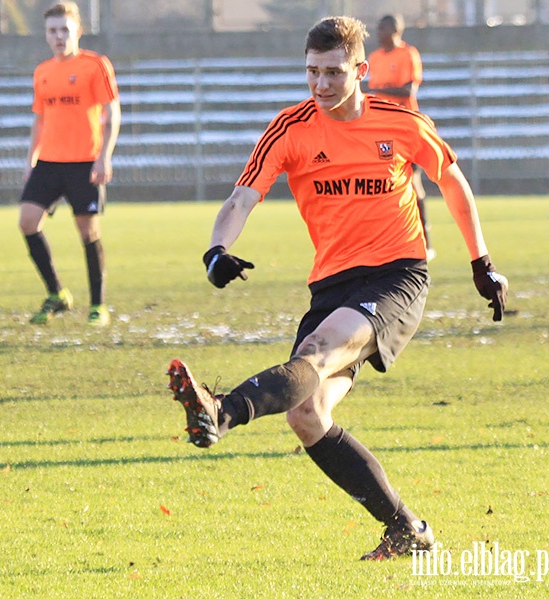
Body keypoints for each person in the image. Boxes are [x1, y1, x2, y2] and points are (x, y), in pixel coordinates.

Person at [167, 16, 508, 561]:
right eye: (311, 72)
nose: (320, 84)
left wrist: (481, 261)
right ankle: (407, 530)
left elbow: (451, 181)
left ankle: (220, 411)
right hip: (331, 284)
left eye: (332, 72)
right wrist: (216, 248)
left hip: (396, 275)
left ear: (361, 71)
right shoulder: (292, 128)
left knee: (316, 355)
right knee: (307, 414)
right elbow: (242, 198)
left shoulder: (400, 121)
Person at [18, 1, 120, 326]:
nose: (59, 36)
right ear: (46, 35)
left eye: (65, 29)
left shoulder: (95, 65)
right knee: (27, 221)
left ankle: (98, 306)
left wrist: (104, 157)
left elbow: (112, 112)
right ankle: (57, 293)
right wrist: (31, 159)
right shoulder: (43, 72)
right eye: (52, 31)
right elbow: (39, 119)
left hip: (84, 162)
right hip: (49, 161)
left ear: (77, 30)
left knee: (87, 230)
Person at [365, 14, 435, 258]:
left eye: (381, 28)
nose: (377, 33)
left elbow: (408, 89)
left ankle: (425, 238)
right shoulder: (373, 57)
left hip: (405, 127)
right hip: (380, 127)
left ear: (394, 31)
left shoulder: (408, 54)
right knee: (378, 184)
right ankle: (387, 242)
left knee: (413, 184)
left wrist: (375, 90)